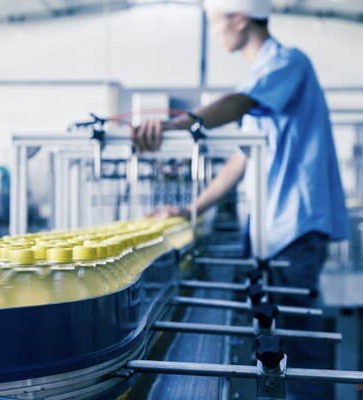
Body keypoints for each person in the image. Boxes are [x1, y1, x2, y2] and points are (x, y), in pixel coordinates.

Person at [130, 1, 349, 399]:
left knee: (297, 349)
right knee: (279, 345)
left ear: (241, 18)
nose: (214, 33)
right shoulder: (262, 76)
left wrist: (176, 124)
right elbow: (241, 159)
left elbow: (236, 103)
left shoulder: (289, 63)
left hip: (295, 230)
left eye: (215, 23)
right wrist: (191, 209)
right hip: (276, 234)